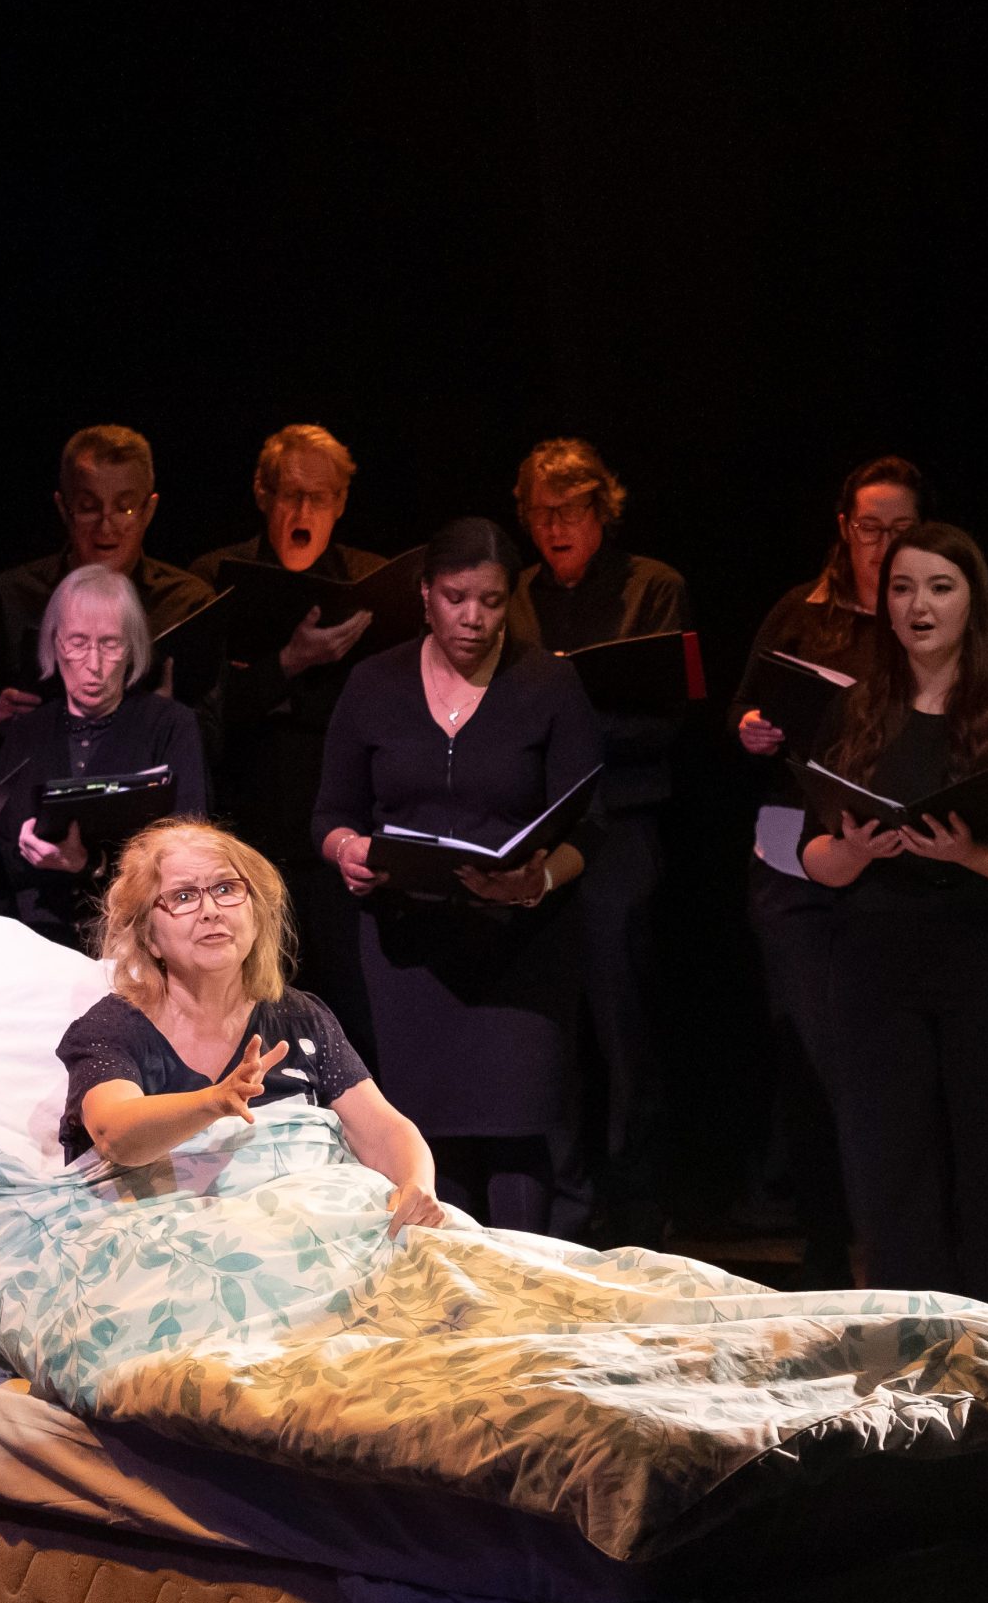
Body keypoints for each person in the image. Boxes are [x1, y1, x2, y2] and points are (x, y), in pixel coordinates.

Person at [796, 524, 988, 1304]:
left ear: (972, 602)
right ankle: (909, 1358)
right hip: (877, 967)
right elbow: (813, 856)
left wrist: (970, 856)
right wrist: (855, 850)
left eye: (938, 587)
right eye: (901, 587)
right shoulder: (857, 711)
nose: (917, 605)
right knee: (893, 1176)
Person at [313, 517, 602, 1236]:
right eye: (456, 597)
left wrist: (538, 882)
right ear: (425, 597)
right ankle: (448, 1302)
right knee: (428, 1133)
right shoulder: (373, 684)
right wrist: (347, 849)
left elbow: (590, 828)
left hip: (520, 940)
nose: (473, 618)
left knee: (514, 1126)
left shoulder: (549, 683)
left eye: (492, 601)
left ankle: (519, 1297)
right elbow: (331, 813)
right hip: (409, 943)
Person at [726, 454, 926, 1285]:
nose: (883, 544)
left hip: (891, 853)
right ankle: (819, 1241)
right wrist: (751, 729)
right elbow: (745, 709)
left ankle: (895, 1237)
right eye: (870, 527)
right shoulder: (799, 613)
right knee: (808, 1046)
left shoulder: (923, 610)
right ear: (844, 528)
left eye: (901, 530)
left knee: (883, 1050)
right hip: (792, 846)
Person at [56, 817, 445, 1236]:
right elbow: (117, 1135)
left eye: (226, 889)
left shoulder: (300, 1018)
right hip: (169, 1240)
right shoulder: (112, 1027)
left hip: (309, 1231)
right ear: (150, 937)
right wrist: (214, 1102)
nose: (210, 911)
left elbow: (383, 1130)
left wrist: (416, 1185)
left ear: (256, 915)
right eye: (184, 896)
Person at [505, 438, 691, 1243]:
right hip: (536, 832)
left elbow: (667, 718)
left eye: (571, 509)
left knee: (623, 1022)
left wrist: (565, 718)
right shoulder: (512, 596)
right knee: (547, 1017)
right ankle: (564, 1201)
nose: (555, 525)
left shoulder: (652, 588)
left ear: (601, 511)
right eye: (540, 512)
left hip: (622, 827)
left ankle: (638, 1202)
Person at [190, 423, 386, 1034]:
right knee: (258, 1020)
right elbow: (205, 718)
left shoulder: (372, 583)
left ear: (341, 505)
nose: (303, 510)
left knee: (351, 1017)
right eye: (289, 494)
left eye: (319, 498)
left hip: (339, 845)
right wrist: (291, 663)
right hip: (248, 835)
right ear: (262, 494)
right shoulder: (214, 579)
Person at [0, 563, 208, 948]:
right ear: (56, 644)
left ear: (132, 648)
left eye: (109, 644)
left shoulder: (169, 725)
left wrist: (93, 864)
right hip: (37, 942)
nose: (94, 664)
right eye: (77, 642)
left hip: (136, 941)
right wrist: (22, 851)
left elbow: (190, 845)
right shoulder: (27, 731)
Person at [0, 425, 215, 744]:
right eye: (89, 508)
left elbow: (213, 736)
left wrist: (168, 721)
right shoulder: (10, 595)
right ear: (64, 509)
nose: (106, 525)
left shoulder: (188, 603)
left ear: (148, 511)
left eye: (124, 508)